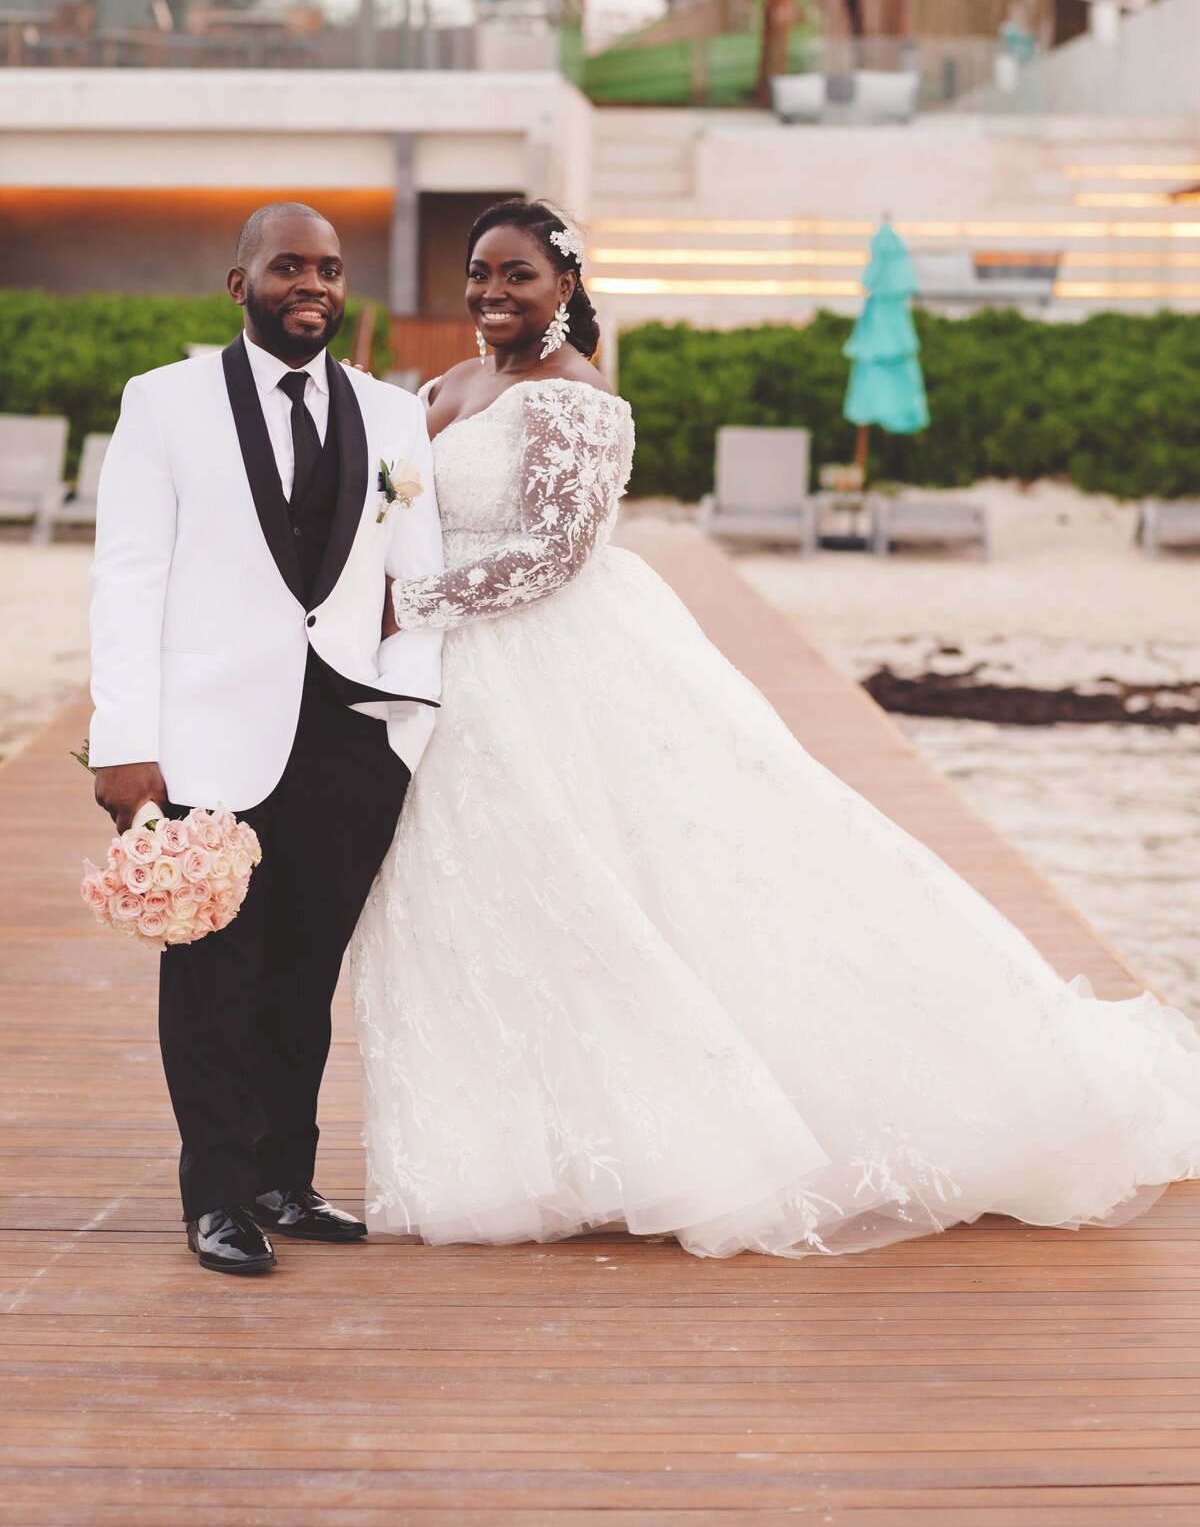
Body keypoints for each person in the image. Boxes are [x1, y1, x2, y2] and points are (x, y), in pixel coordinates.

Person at [352, 196, 1200, 1260]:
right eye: (479, 272)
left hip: (551, 661)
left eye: (516, 274)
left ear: (564, 284)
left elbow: (553, 556)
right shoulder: (448, 385)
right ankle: (536, 1140)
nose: (491, 292)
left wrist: (410, 607)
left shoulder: (576, 399)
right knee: (493, 900)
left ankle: (698, 1133)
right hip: (450, 673)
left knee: (627, 885)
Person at [90, 203, 443, 1275]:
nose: (314, 285)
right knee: (212, 973)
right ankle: (218, 1197)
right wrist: (124, 739)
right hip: (204, 738)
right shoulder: (164, 403)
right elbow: (128, 577)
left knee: (303, 974)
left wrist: (404, 724)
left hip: (350, 735)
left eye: (331, 269)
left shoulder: (392, 416)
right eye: (289, 265)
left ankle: (286, 1177)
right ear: (238, 284)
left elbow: (415, 580)